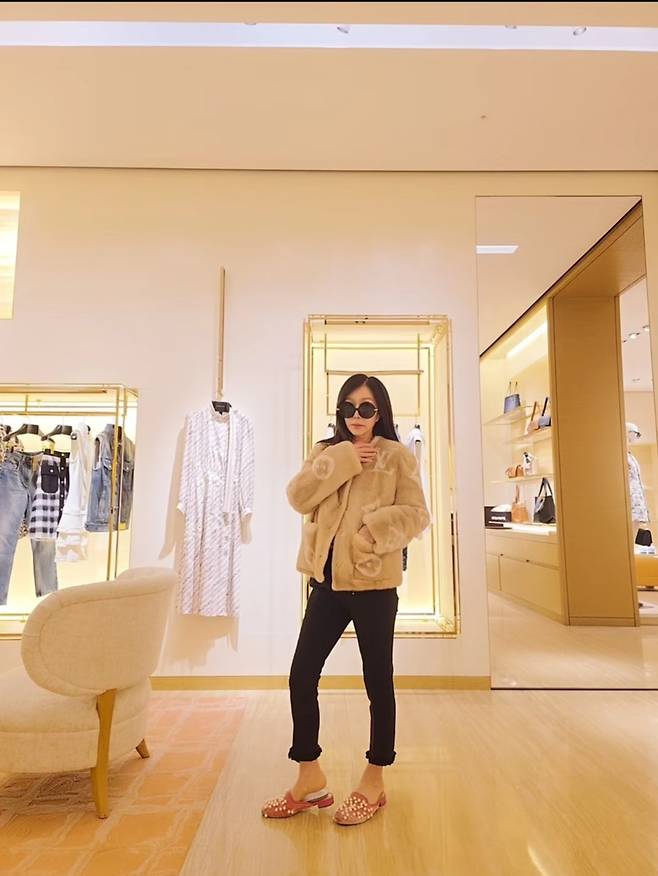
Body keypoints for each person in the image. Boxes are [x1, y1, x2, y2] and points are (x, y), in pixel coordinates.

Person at [262, 373, 429, 826]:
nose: (357, 416)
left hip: (374, 587)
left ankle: (374, 780)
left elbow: (417, 514)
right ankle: (309, 777)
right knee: (302, 675)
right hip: (327, 585)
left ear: (380, 412)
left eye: (367, 408)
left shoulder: (397, 456)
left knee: (378, 682)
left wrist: (370, 533)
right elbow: (298, 498)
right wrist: (343, 459)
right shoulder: (326, 452)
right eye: (349, 407)